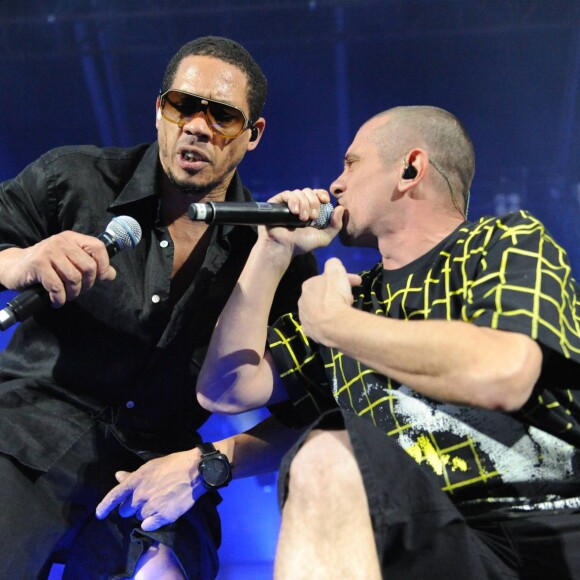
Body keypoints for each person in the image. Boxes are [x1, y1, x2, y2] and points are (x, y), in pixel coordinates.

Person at [197, 105, 580, 578]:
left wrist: (335, 324)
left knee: (326, 455)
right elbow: (225, 388)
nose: (335, 185)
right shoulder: (356, 299)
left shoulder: (502, 242)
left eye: (352, 164)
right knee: (326, 458)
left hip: (530, 540)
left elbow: (504, 372)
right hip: (413, 541)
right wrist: (272, 251)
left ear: (410, 169)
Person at [0, 36, 318, 579]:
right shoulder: (73, 178)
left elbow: (309, 419)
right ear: (159, 111)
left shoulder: (271, 248)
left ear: (252, 135)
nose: (197, 125)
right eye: (182, 105)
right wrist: (19, 262)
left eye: (221, 115)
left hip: (159, 469)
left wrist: (209, 463)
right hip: (25, 437)